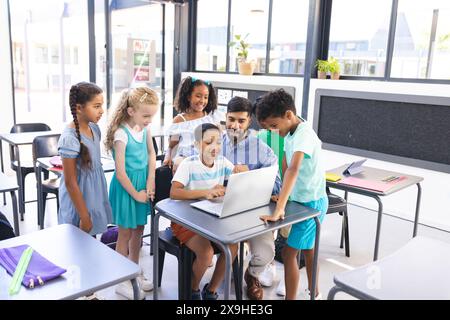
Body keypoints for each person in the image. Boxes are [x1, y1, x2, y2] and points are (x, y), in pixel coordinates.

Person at [256, 89, 328, 300]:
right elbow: (286, 163)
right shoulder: (290, 129)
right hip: (301, 200)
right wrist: (283, 196)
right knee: (309, 251)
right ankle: (315, 291)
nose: (273, 131)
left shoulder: (304, 134)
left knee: (289, 254)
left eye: (273, 125)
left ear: (288, 115)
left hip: (312, 204)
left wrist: (280, 209)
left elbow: (294, 169)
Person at [221, 96, 282, 300]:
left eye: (241, 121)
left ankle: (252, 274)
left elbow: (277, 183)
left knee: (265, 253)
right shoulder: (214, 143)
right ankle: (220, 269)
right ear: (225, 117)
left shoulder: (262, 149)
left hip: (252, 211)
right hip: (219, 210)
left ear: (249, 122)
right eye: (231, 119)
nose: (235, 125)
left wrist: (249, 175)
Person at [170, 123, 239, 300]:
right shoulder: (188, 164)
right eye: (209, 142)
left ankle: (211, 290)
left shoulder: (222, 162)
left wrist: (237, 177)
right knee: (206, 253)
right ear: (197, 144)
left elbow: (238, 177)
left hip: (210, 219)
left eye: (218, 143)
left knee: (232, 247)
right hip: (186, 220)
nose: (215, 147)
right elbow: (174, 192)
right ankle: (193, 290)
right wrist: (205, 193)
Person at [104, 87, 159, 300]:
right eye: (146, 116)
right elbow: (120, 172)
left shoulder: (145, 129)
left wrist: (151, 180)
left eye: (152, 116)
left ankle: (133, 270)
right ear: (130, 111)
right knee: (125, 234)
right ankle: (121, 279)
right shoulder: (121, 134)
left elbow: (151, 153)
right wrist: (136, 194)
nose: (149, 120)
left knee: (139, 230)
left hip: (143, 184)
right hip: (127, 188)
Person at [58, 82, 112, 236]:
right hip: (79, 201)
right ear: (79, 108)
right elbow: (70, 182)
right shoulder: (70, 139)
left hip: (94, 194)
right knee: (76, 245)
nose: (101, 111)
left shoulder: (94, 128)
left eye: (102, 106)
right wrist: (84, 215)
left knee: (90, 242)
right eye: (96, 106)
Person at [163, 76, 224, 170]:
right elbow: (172, 145)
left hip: (208, 159)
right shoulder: (180, 120)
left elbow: (220, 139)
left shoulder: (211, 117)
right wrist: (168, 157)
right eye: (198, 96)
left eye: (205, 97)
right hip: (186, 161)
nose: (202, 101)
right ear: (188, 97)